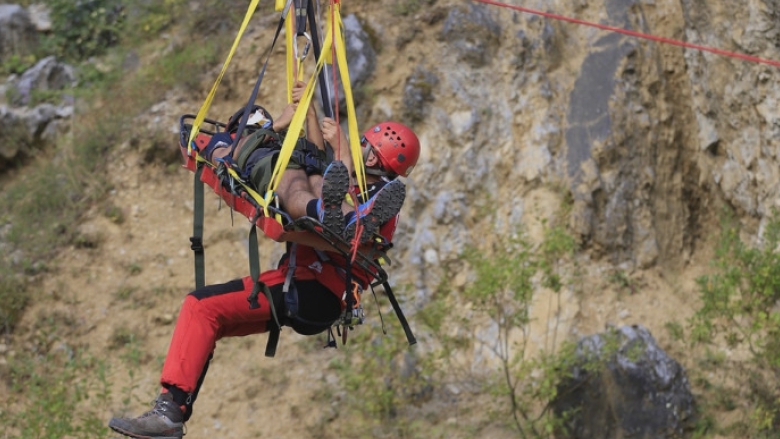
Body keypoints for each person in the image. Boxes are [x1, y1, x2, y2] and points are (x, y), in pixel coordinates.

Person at [108, 87, 421, 439]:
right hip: (316, 290)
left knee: (201, 308)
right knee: (212, 314)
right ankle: (172, 410)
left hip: (311, 287)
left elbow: (326, 200)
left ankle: (169, 414)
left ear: (374, 158)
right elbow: (321, 168)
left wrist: (288, 228)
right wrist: (312, 117)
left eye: (366, 145)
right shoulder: (369, 196)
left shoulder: (366, 195)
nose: (359, 147)